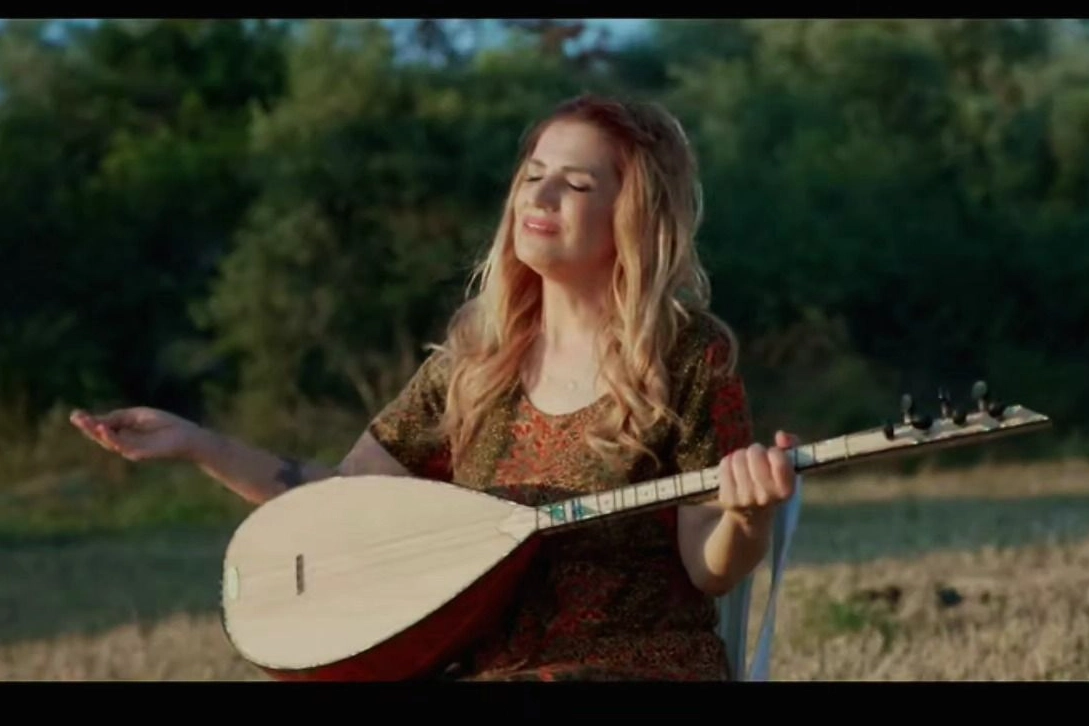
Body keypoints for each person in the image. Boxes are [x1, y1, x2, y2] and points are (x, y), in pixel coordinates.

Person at [70, 93, 798, 682]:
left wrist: (747, 518)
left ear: (634, 215)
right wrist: (198, 444)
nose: (540, 195)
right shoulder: (477, 358)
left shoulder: (687, 355)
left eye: (576, 184)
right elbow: (344, 503)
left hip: (632, 664)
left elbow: (706, 566)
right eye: (532, 175)